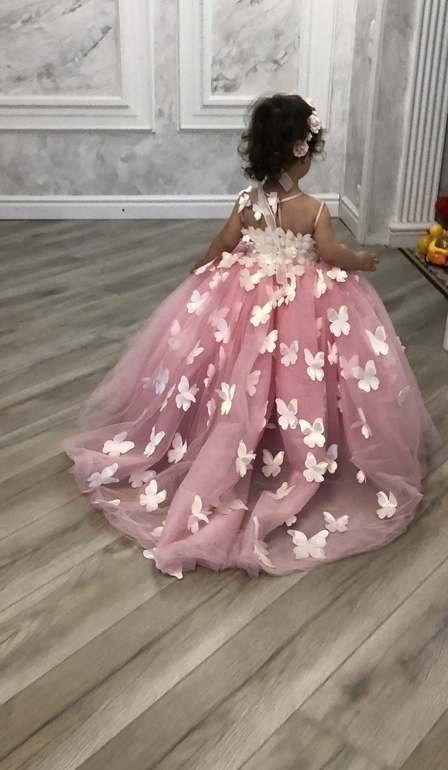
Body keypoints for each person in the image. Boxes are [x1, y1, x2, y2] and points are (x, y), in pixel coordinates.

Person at [63, 93, 440, 579]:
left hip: (247, 296)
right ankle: (298, 439)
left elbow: (225, 242)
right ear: (303, 153)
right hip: (302, 305)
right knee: (301, 372)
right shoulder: (314, 210)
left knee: (239, 369)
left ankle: (245, 431)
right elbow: (330, 254)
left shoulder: (246, 203)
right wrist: (360, 260)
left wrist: (202, 266)